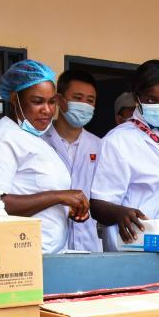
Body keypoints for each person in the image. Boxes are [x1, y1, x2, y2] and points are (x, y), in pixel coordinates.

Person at [0, 59, 89, 254]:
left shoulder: (34, 137)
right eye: (37, 101)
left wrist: (68, 206)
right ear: (14, 98)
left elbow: (33, 192)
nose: (47, 110)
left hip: (48, 256)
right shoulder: (2, 138)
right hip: (20, 259)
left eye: (52, 101)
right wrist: (59, 197)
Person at [90, 59, 159, 245]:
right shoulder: (117, 140)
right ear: (137, 98)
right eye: (151, 100)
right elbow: (98, 206)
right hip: (138, 244)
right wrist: (119, 213)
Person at [42, 69, 102, 252]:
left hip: (89, 240)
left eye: (90, 101)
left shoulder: (100, 145)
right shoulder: (38, 142)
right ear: (59, 100)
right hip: (48, 242)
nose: (84, 105)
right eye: (78, 98)